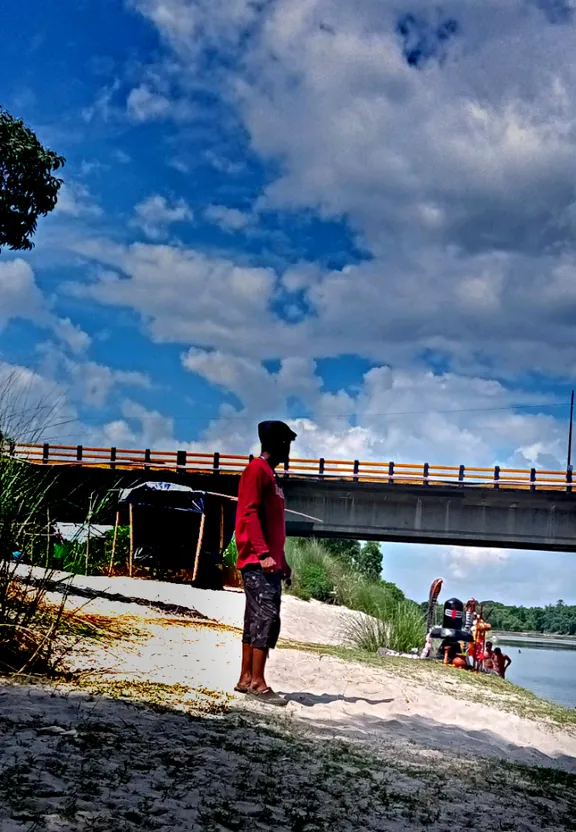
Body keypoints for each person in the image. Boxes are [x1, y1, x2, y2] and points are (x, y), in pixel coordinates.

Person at [234, 420, 297, 706]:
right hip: (258, 563)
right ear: (279, 444)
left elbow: (273, 526)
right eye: (288, 444)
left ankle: (246, 679)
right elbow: (248, 515)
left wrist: (282, 561)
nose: (289, 450)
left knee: (255, 619)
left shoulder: (271, 477)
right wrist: (263, 555)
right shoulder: (256, 471)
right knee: (265, 618)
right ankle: (258, 682)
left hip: (270, 563)